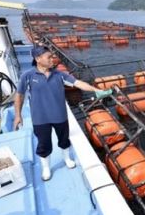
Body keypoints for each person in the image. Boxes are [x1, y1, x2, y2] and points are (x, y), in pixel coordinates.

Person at [14, 46, 111, 181]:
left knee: (64, 139)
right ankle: (46, 167)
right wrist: (18, 115)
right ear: (38, 59)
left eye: (52, 56)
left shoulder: (59, 75)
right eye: (49, 57)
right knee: (44, 144)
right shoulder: (28, 76)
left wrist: (96, 90)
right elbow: (19, 95)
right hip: (40, 119)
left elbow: (78, 83)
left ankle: (67, 158)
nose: (52, 59)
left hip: (60, 116)